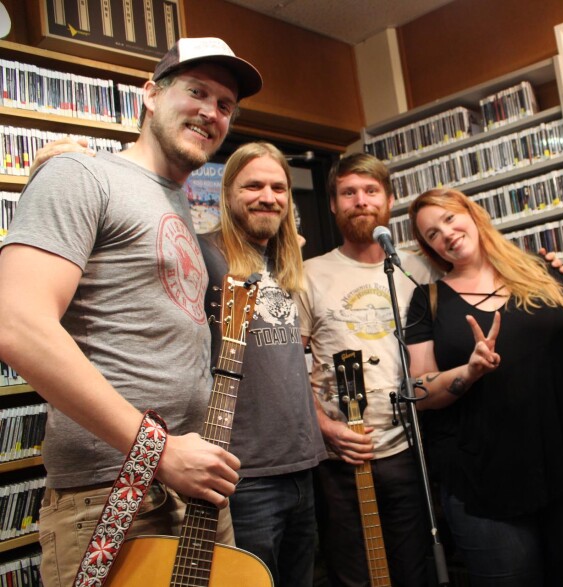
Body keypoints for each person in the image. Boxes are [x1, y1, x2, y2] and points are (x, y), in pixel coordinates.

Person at [0, 37, 262, 587]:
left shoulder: (177, 202)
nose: (211, 112)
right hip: (111, 490)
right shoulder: (82, 175)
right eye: (197, 92)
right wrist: (158, 452)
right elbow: (14, 323)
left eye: (225, 105)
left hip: (195, 489)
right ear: (150, 94)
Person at [404, 188, 563, 586]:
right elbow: (421, 390)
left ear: (472, 214)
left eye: (450, 219)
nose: (445, 234)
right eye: (431, 233)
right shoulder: (428, 300)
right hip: (484, 483)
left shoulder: (540, 270)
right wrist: (470, 370)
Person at [297, 152, 438, 586]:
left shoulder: (418, 269)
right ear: (334, 205)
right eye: (348, 192)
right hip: (340, 452)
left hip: (408, 448)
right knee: (352, 572)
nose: (361, 201)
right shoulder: (307, 275)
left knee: (415, 567)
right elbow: (290, 369)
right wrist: (322, 425)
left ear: (389, 201)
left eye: (371, 191)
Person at [199, 141, 326, 586]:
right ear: (228, 191)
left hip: (301, 465)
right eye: (253, 185)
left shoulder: (284, 263)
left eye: (278, 187)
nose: (267, 197)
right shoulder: (203, 256)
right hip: (243, 474)